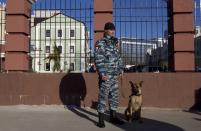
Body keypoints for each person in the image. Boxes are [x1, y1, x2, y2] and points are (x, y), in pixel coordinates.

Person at [94, 22, 124, 128]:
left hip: (114, 75)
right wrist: (102, 73)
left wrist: (120, 69)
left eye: (113, 29)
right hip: (106, 75)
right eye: (110, 29)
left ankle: (113, 116)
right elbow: (98, 59)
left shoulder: (114, 43)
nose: (112, 31)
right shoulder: (100, 43)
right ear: (105, 30)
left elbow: (118, 57)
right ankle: (101, 120)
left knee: (114, 97)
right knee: (103, 96)